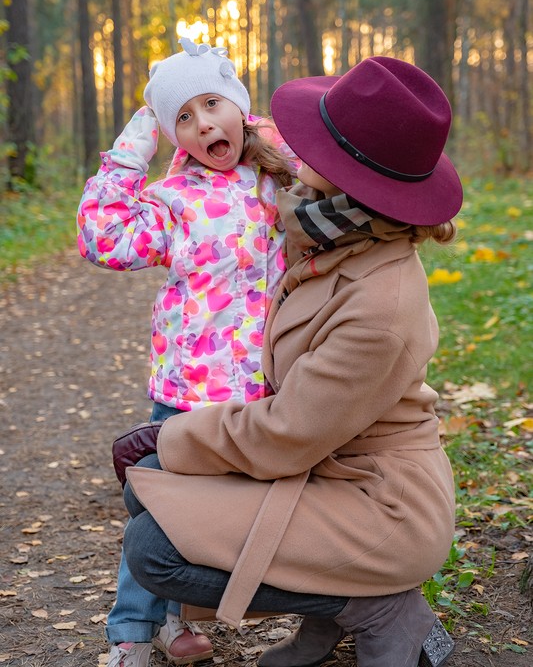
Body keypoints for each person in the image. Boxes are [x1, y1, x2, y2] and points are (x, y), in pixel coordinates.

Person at [120, 55, 463, 667]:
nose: (290, 146)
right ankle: (325, 614)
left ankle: (383, 610)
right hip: (327, 471)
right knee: (151, 488)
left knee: (154, 547)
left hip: (381, 505)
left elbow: (287, 435)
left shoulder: (380, 303)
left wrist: (167, 433)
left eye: (318, 141)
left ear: (350, 175)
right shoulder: (329, 231)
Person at [77, 37, 296, 667]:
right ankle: (131, 632)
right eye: (182, 117)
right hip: (186, 394)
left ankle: (179, 617)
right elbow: (104, 238)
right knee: (163, 507)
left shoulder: (276, 182)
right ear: (173, 136)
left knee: (219, 514)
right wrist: (133, 146)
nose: (204, 123)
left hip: (261, 390)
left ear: (239, 107)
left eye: (212, 103)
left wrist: (265, 133)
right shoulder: (173, 202)